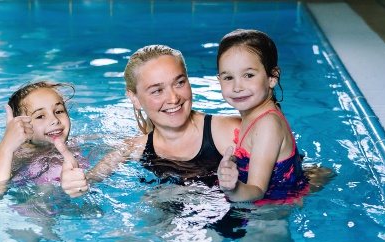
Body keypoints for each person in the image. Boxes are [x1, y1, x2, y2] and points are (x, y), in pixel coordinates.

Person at [57, 44, 241, 197]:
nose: (173, 99)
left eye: (179, 83)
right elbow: (86, 182)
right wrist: (74, 184)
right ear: (134, 98)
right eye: (157, 90)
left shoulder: (228, 131)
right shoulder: (132, 149)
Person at [216, 29, 310, 205]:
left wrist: (232, 188)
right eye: (228, 77)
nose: (237, 87)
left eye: (249, 75)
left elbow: (257, 190)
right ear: (218, 79)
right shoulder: (255, 114)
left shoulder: (267, 125)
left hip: (272, 212)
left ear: (272, 77)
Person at [0, 81, 88, 198]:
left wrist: (87, 180)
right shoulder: (21, 156)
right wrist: (6, 148)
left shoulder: (78, 143)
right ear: (23, 126)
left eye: (59, 111)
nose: (55, 120)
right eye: (40, 116)